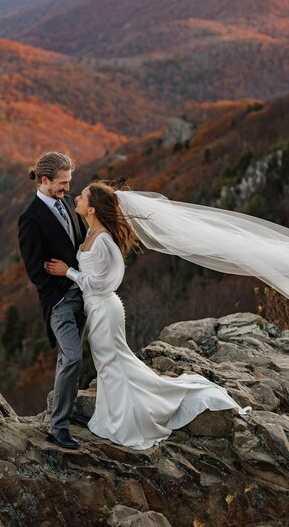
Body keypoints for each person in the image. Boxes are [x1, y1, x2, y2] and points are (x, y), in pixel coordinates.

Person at [45, 181, 289, 450]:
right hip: (96, 308)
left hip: (105, 308)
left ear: (92, 209)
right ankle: (118, 412)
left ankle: (130, 419)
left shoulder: (104, 240)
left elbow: (109, 281)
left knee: (111, 363)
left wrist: (68, 272)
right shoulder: (92, 233)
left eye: (82, 196)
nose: (76, 198)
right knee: (110, 363)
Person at [18, 151, 87, 450]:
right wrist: (57, 301)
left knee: (70, 359)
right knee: (72, 357)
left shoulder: (69, 203)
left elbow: (81, 240)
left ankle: (66, 414)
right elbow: (35, 270)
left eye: (69, 182)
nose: (67, 188)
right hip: (60, 300)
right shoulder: (30, 218)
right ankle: (58, 428)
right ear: (45, 180)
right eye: (62, 182)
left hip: (84, 293)